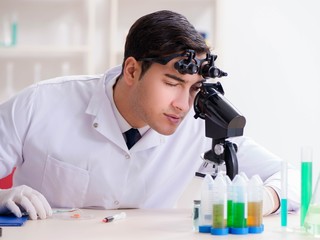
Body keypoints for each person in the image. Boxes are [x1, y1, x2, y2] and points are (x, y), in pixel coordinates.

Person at [0, 10, 299, 220]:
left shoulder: (198, 125)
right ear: (131, 70)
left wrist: (264, 201)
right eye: (172, 83)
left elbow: (298, 179)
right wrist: (2, 198)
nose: (183, 104)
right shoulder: (39, 103)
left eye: (194, 88)